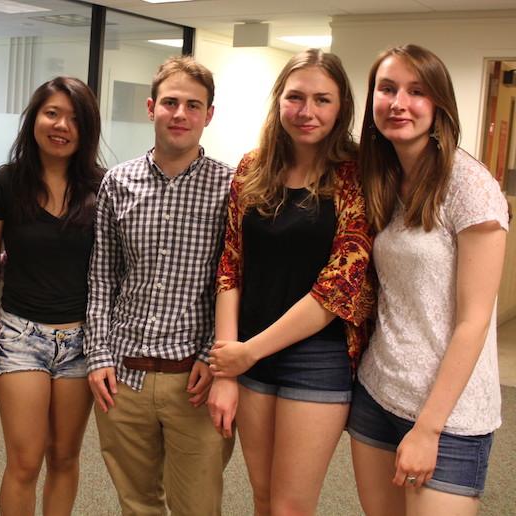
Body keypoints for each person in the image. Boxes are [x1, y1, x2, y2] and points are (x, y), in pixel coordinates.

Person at [207, 48, 376, 515]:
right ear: (278, 99)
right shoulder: (251, 168)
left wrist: (247, 352)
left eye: (323, 100)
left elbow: (338, 287)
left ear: (342, 106)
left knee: (291, 505)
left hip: (316, 357)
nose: (307, 112)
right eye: (296, 97)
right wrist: (228, 363)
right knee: (262, 496)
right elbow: (230, 266)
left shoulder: (357, 174)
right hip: (249, 356)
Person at [348, 44, 509, 516]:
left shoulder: (470, 185)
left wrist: (428, 428)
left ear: (439, 104)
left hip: (450, 416)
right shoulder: (382, 178)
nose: (398, 103)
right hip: (379, 392)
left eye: (416, 91)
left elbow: (474, 321)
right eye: (387, 89)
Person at [85, 55, 235, 516]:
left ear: (208, 115)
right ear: (151, 107)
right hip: (123, 378)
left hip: (196, 380)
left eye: (194, 105)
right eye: (170, 102)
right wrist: (97, 356)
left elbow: (234, 281)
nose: (180, 114)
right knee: (137, 504)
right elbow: (101, 278)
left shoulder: (232, 188)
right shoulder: (117, 182)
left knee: (197, 506)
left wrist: (217, 358)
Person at [0, 76, 103, 516]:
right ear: (35, 118)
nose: (61, 125)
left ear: (87, 129)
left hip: (82, 342)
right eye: (52, 113)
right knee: (25, 461)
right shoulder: (4, 184)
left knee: (64, 458)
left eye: (73, 118)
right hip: (19, 337)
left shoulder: (102, 188)